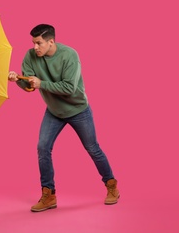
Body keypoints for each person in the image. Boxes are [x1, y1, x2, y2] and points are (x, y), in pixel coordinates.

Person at [8, 24, 120, 212]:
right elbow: (29, 85)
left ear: (51, 41)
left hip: (78, 110)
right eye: (33, 43)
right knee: (42, 148)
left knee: (93, 148)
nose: (35, 47)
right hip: (53, 111)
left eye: (39, 43)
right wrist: (17, 79)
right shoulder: (30, 56)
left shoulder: (70, 55)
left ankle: (111, 186)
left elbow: (69, 88)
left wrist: (41, 83)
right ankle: (49, 194)